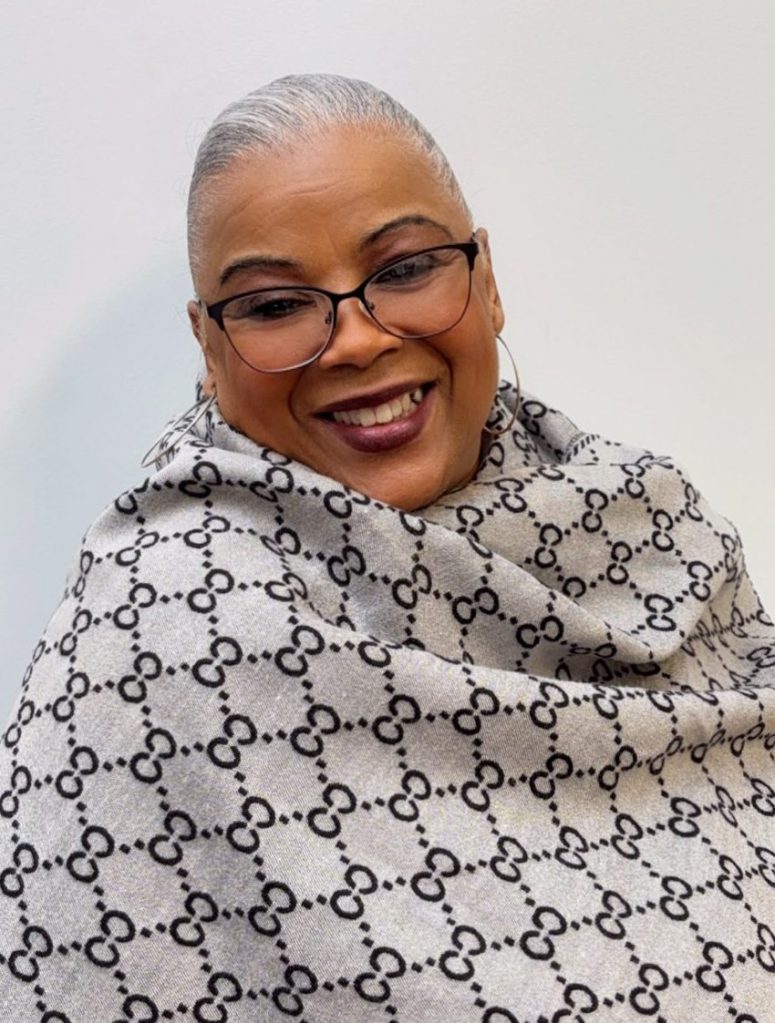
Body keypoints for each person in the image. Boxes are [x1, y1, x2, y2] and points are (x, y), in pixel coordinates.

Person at [1, 74, 773, 1022]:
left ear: (486, 281)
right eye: (275, 304)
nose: (356, 341)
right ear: (207, 344)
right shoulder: (166, 627)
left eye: (405, 270)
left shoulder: (645, 522)